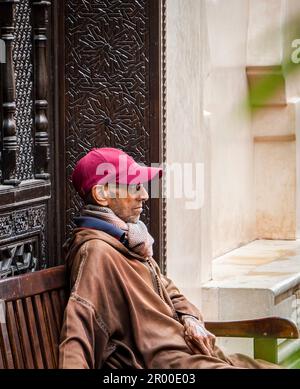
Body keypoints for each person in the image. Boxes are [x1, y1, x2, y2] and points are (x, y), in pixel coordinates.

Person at [59, 147, 280, 369]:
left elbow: (169, 291)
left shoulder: (127, 241)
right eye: (135, 186)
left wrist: (191, 318)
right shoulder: (97, 251)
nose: (144, 195)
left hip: (193, 354)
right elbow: (80, 324)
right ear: (102, 194)